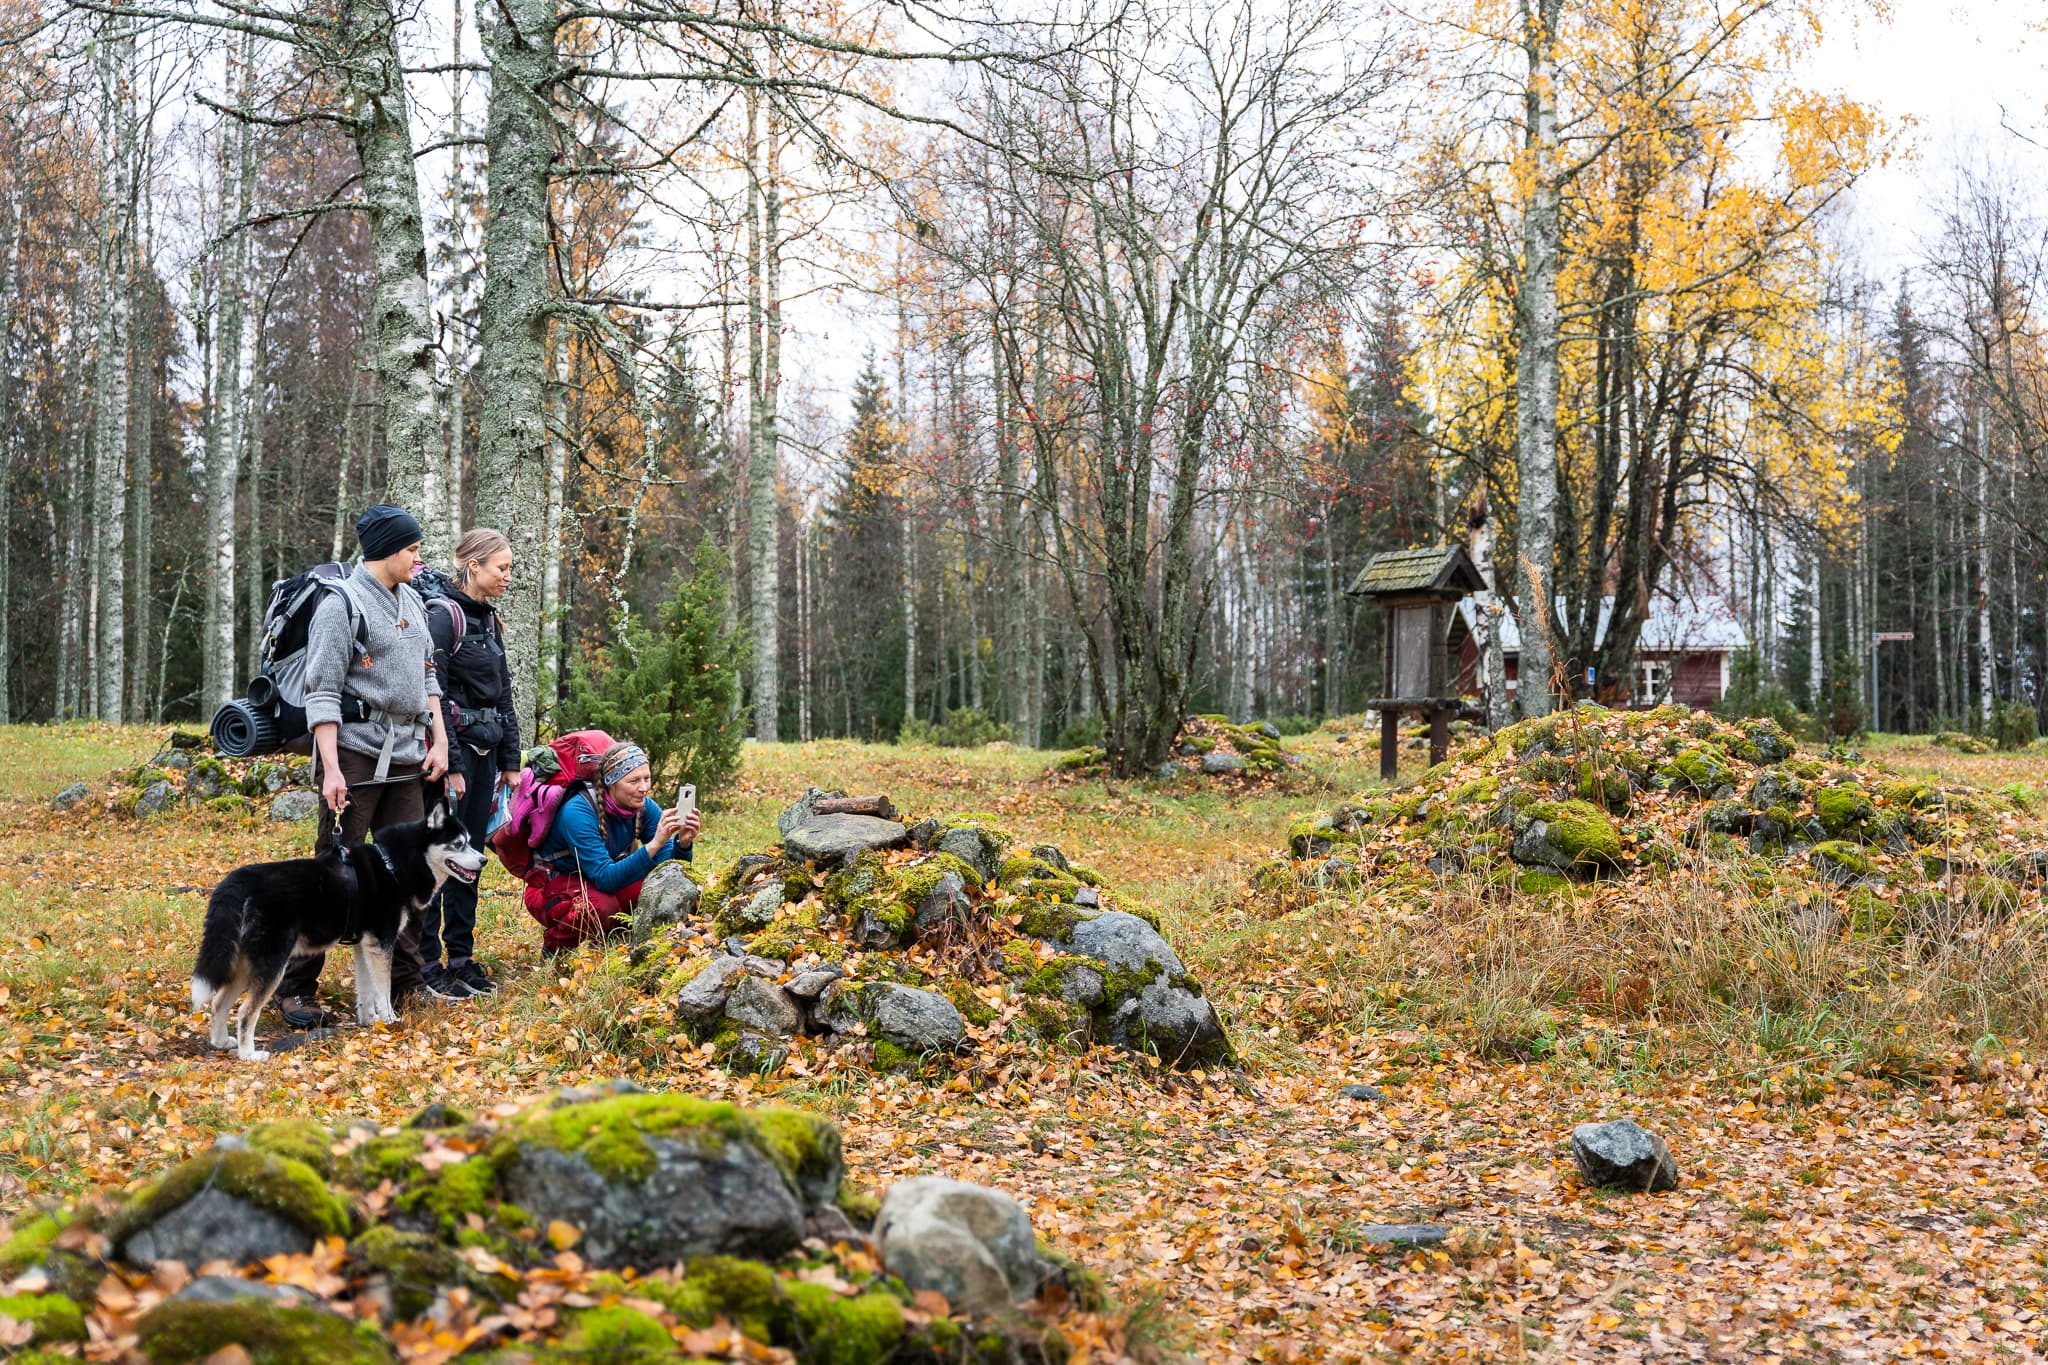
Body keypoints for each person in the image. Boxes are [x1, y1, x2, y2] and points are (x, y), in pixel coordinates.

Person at [272, 504, 451, 1031]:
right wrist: (331, 770)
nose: (419, 558)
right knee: (334, 874)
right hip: (353, 756)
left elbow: (429, 680)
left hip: (408, 757)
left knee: (411, 872)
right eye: (412, 550)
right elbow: (321, 694)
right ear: (388, 551)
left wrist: (438, 741)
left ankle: (406, 982)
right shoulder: (341, 605)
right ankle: (296, 989)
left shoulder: (414, 601)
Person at [419, 529, 520, 1000]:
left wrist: (511, 762)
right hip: (450, 763)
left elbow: (504, 697)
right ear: (473, 565)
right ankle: (427, 966)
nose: (507, 576)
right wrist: (453, 764)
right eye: (501, 567)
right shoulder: (445, 618)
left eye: (510, 567)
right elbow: (432, 695)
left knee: (471, 861)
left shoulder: (490, 620)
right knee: (441, 860)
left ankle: (461, 958)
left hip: (486, 760)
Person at [525, 742, 701, 954]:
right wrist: (655, 844)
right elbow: (605, 878)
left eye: (647, 778)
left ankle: (614, 938)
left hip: (596, 883)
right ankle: (554, 948)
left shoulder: (644, 806)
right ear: (610, 783)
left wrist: (683, 844)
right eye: (633, 781)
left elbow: (668, 872)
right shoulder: (577, 812)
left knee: (656, 888)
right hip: (553, 887)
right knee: (600, 907)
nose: (644, 787)